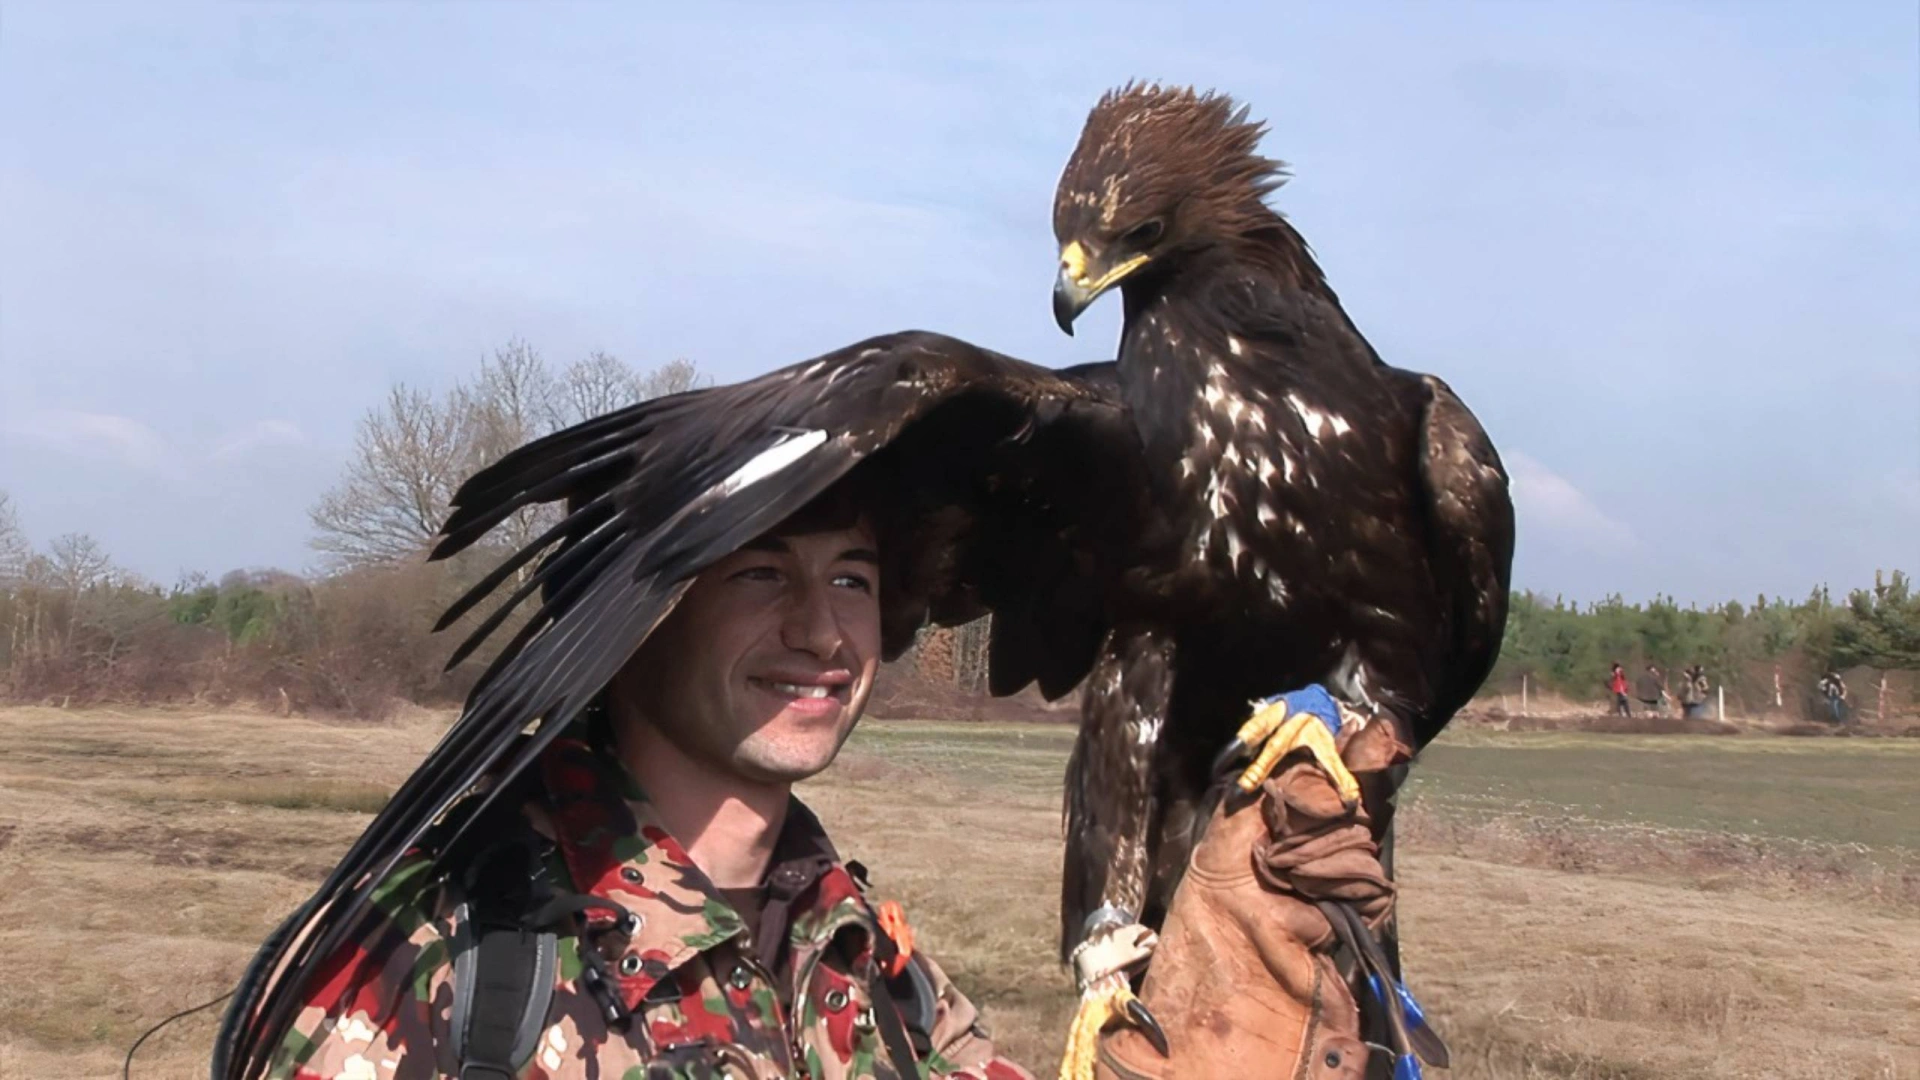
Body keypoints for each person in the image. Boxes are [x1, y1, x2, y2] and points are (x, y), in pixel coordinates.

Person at [265, 474, 1386, 1080]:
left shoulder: (866, 959)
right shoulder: (442, 962)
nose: (821, 630)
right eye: (760, 571)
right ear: (636, 620)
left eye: (850, 578)